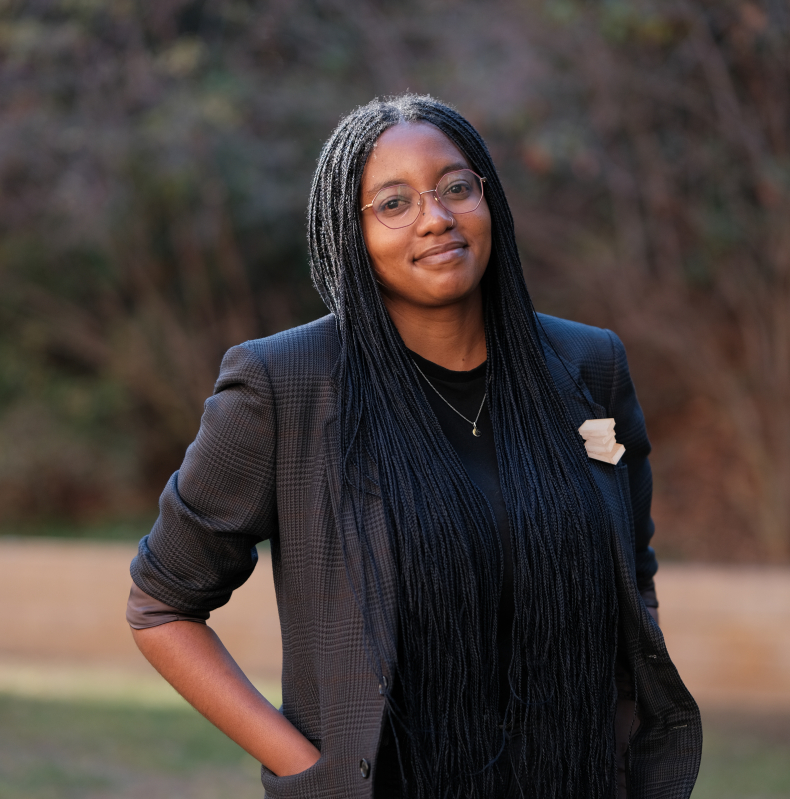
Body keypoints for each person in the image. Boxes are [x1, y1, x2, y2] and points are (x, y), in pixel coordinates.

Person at [127, 94, 701, 799]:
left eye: (457, 187)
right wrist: (308, 768)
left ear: (489, 200)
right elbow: (162, 605)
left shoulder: (589, 366)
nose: (436, 218)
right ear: (350, 231)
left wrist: (617, 753)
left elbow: (629, 577)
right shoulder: (286, 384)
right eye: (394, 203)